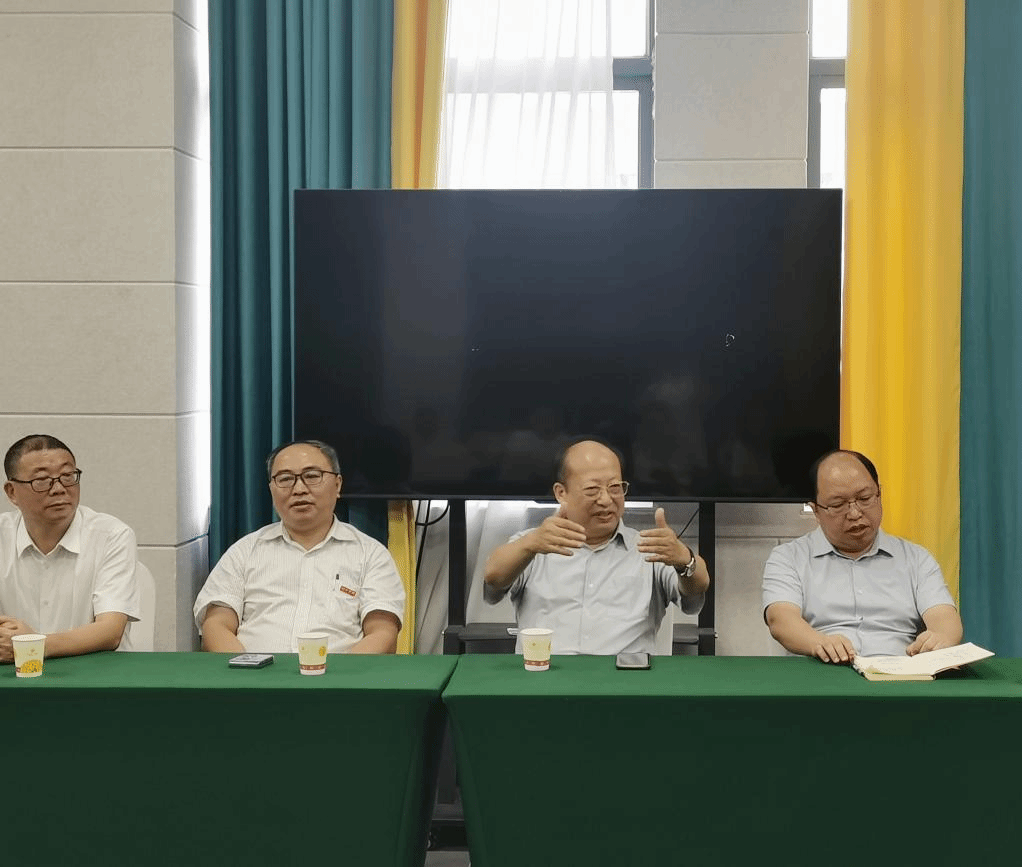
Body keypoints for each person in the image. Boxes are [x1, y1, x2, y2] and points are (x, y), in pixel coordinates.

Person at [483, 438, 710, 655]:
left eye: (615, 487)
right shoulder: (535, 545)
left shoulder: (650, 547)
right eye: (592, 489)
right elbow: (492, 582)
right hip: (547, 675)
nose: (606, 499)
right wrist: (530, 544)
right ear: (561, 493)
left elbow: (695, 595)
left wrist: (686, 560)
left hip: (626, 676)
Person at [194, 439, 404, 654]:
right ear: (271, 489)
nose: (299, 489)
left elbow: (383, 632)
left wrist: (342, 675)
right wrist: (246, 669)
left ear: (338, 484)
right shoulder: (245, 551)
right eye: (285, 479)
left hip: (339, 672)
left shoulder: (370, 554)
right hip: (253, 671)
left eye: (312, 476)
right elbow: (216, 625)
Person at [762, 449, 963, 663]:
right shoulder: (788, 558)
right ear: (816, 510)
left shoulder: (916, 559)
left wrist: (939, 639)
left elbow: (944, 618)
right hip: (823, 671)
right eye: (838, 505)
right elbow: (781, 620)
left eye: (865, 498)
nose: (855, 513)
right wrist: (819, 643)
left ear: (879, 495)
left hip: (898, 671)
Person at [1, 434, 140, 663]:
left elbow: (110, 631)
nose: (58, 489)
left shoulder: (112, 536)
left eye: (67, 477)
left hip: (95, 673)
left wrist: (32, 645)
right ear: (11, 492)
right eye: (42, 480)